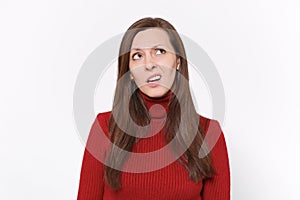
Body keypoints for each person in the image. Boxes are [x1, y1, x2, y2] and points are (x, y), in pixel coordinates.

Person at [77, 17, 230, 200]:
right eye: (138, 56)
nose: (149, 64)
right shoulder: (105, 128)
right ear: (130, 72)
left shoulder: (208, 133)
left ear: (178, 62)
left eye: (159, 51)